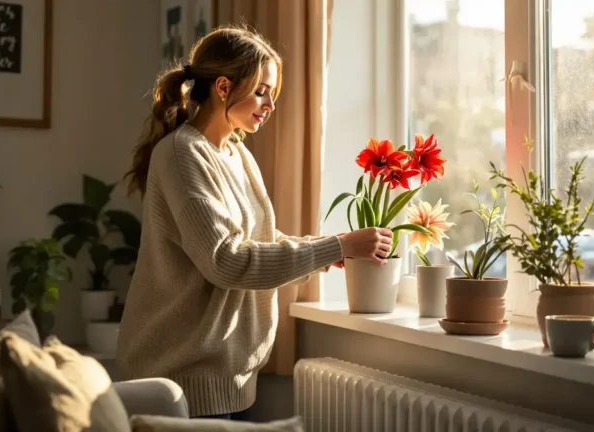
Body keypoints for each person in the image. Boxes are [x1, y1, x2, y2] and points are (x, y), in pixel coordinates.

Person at [117, 26, 393, 419]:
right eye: (262, 90)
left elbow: (261, 240)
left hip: (231, 376)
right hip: (180, 379)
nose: (270, 104)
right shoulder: (181, 154)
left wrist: (329, 248)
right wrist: (336, 247)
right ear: (224, 87)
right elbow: (226, 261)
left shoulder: (237, 155)